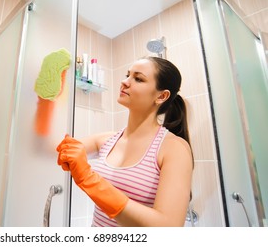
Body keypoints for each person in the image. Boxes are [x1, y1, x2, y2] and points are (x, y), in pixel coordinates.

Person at [56, 56, 194, 227]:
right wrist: (52, 94)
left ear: (161, 96)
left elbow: (167, 226)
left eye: (138, 78)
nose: (124, 82)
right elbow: (55, 150)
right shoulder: (107, 139)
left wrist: (89, 180)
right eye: (127, 75)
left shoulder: (174, 148)